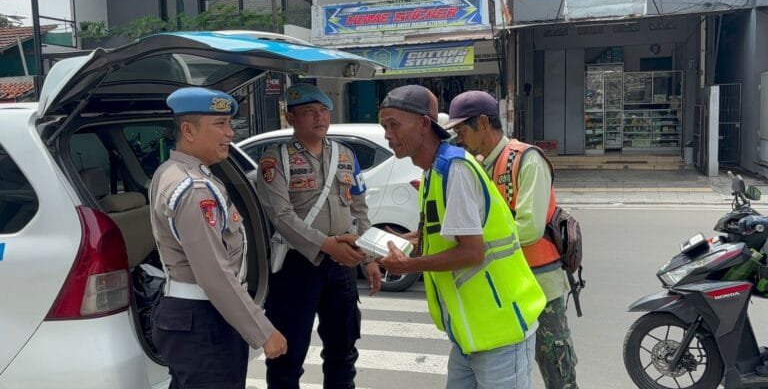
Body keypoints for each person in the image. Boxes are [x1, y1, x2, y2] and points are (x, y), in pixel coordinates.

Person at [377, 84, 546, 389]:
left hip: (501, 332)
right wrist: (408, 241)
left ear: (424, 124)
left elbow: (472, 253)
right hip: (470, 333)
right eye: (384, 126)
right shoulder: (433, 174)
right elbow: (447, 234)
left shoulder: (455, 169)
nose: (388, 135)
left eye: (394, 125)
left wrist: (408, 267)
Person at [149, 87, 287, 389]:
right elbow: (213, 273)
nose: (230, 133)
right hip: (203, 320)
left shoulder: (172, 170)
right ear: (188, 130)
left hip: (194, 317)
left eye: (230, 124)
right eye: (220, 124)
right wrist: (262, 330)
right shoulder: (194, 188)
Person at [444, 90, 579, 389]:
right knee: (509, 373)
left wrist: (474, 247)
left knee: (556, 368)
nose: (458, 138)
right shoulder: (476, 165)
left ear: (482, 123)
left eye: (462, 130)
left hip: (538, 284)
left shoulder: (527, 159)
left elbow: (529, 228)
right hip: (502, 289)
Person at [255, 83, 381, 389]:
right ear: (290, 118)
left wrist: (370, 259)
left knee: (343, 353)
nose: (319, 117)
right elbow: (282, 217)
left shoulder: (346, 155)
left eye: (324, 110)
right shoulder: (276, 159)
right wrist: (325, 245)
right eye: (309, 112)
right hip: (297, 267)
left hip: (342, 268)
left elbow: (360, 210)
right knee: (287, 357)